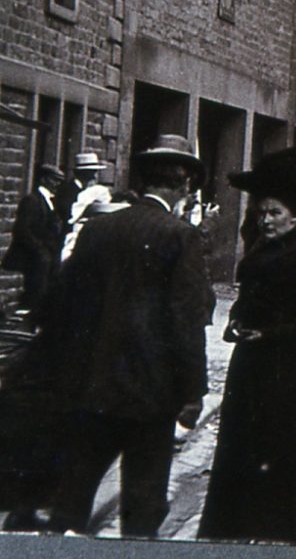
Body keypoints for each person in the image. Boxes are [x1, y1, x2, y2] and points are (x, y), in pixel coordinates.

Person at [37, 134, 213, 537]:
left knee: (74, 494)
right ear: (184, 183)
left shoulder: (98, 229)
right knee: (143, 503)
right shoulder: (180, 235)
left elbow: (62, 304)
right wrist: (193, 391)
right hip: (151, 394)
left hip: (91, 386)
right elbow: (186, 320)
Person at [197, 147, 296, 546]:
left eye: (275, 213)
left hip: (294, 377)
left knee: (291, 464)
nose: (266, 219)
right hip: (252, 372)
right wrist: (237, 322)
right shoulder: (259, 254)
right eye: (262, 212)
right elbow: (249, 301)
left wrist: (270, 334)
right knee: (244, 457)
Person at [1, 163, 67, 313]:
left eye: (59, 181)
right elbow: (22, 230)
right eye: (54, 180)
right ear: (44, 180)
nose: (57, 184)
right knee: (34, 292)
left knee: (45, 290)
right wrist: (40, 250)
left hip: (47, 256)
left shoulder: (50, 201)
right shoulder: (32, 200)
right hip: (33, 257)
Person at [64, 152, 112, 228]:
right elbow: (69, 216)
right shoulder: (68, 190)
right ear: (82, 173)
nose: (95, 177)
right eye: (92, 173)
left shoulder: (90, 190)